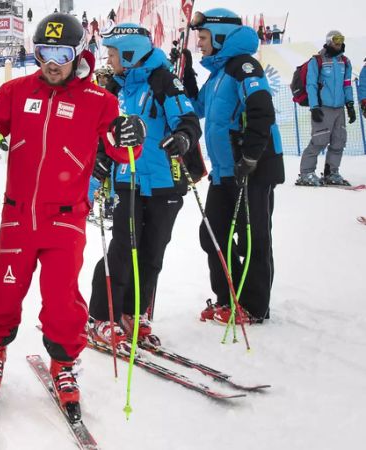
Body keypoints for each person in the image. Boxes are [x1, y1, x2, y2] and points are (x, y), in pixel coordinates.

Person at [0, 13, 144, 410]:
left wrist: (133, 138)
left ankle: (63, 362)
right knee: (3, 291)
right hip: (18, 216)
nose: (52, 60)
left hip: (65, 217)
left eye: (61, 52)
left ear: (78, 52)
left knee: (62, 298)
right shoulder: (16, 91)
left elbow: (121, 149)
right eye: (45, 50)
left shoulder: (99, 99)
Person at [87, 23, 202, 350]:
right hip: (128, 180)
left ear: (130, 53)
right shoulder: (114, 88)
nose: (109, 60)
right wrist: (100, 160)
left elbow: (189, 120)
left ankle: (133, 313)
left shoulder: (163, 80)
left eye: (112, 53)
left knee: (152, 253)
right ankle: (101, 316)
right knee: (123, 249)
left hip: (166, 181)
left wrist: (183, 138)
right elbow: (103, 133)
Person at [187, 9, 284, 324]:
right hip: (225, 171)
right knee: (212, 234)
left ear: (220, 36)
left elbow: (261, 109)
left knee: (253, 237)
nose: (199, 44)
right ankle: (229, 297)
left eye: (202, 38)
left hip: (252, 168)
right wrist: (186, 73)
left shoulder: (243, 65)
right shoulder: (218, 74)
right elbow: (196, 107)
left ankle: (254, 306)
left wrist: (251, 156)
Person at [296, 30, 355, 186]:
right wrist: (314, 107)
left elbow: (347, 84)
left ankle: (331, 173)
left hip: (339, 109)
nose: (339, 43)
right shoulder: (317, 61)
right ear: (329, 41)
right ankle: (306, 173)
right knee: (319, 141)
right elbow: (311, 84)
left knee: (339, 141)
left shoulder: (345, 61)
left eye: (341, 39)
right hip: (323, 108)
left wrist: (350, 104)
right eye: (336, 40)